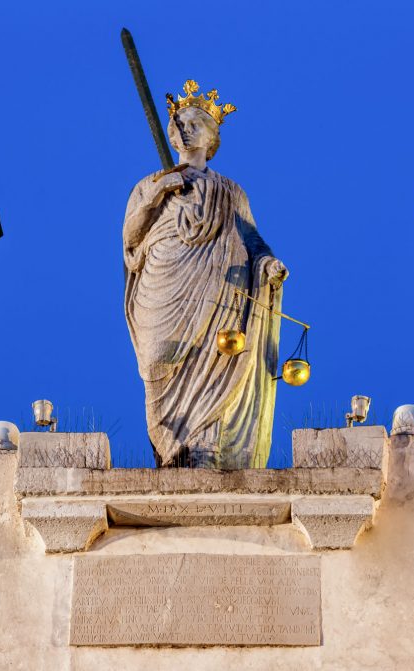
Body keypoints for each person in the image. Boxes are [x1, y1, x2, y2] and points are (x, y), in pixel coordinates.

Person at [123, 80, 288, 468]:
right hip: (163, 281)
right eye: (179, 123)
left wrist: (268, 265)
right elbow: (131, 238)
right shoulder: (148, 185)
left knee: (213, 363)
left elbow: (253, 241)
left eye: (196, 123)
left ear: (212, 138)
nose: (185, 129)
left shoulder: (230, 191)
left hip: (217, 290)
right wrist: (157, 193)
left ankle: (203, 450)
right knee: (156, 361)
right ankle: (167, 445)